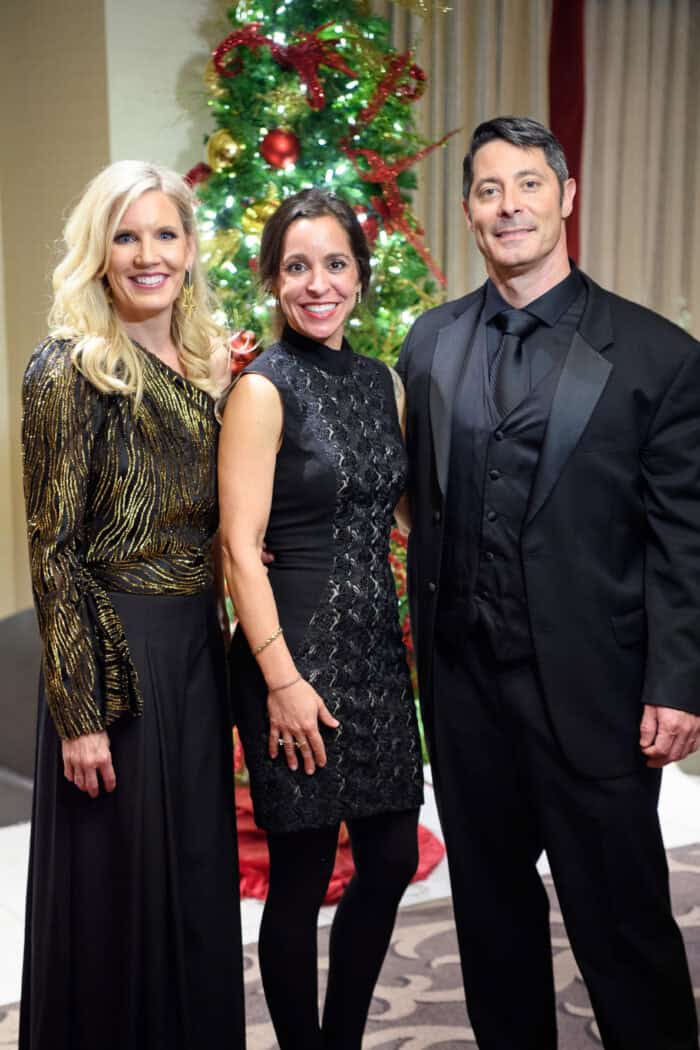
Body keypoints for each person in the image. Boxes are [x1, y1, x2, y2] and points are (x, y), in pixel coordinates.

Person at [396, 115, 700, 1050]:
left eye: (527, 185)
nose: (508, 206)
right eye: (488, 190)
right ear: (469, 213)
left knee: (623, 927)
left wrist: (677, 684)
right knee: (490, 928)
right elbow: (411, 502)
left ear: (566, 197)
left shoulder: (657, 356)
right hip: (466, 693)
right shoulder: (430, 343)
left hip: (594, 694)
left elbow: (685, 539)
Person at [20, 160, 246, 1050]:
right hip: (114, 655)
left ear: (190, 249)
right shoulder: (70, 369)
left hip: (195, 648)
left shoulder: (209, 365)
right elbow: (54, 548)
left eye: (164, 234)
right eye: (126, 235)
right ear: (98, 252)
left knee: (192, 883)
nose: (147, 255)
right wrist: (79, 713)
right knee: (116, 892)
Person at [218, 187, 423, 1050]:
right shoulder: (263, 390)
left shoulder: (385, 382)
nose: (317, 283)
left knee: (391, 859)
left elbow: (405, 511)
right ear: (273, 279)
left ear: (360, 276)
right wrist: (283, 683)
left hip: (373, 650)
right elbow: (237, 546)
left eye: (334, 263)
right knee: (301, 874)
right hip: (289, 656)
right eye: (296, 266)